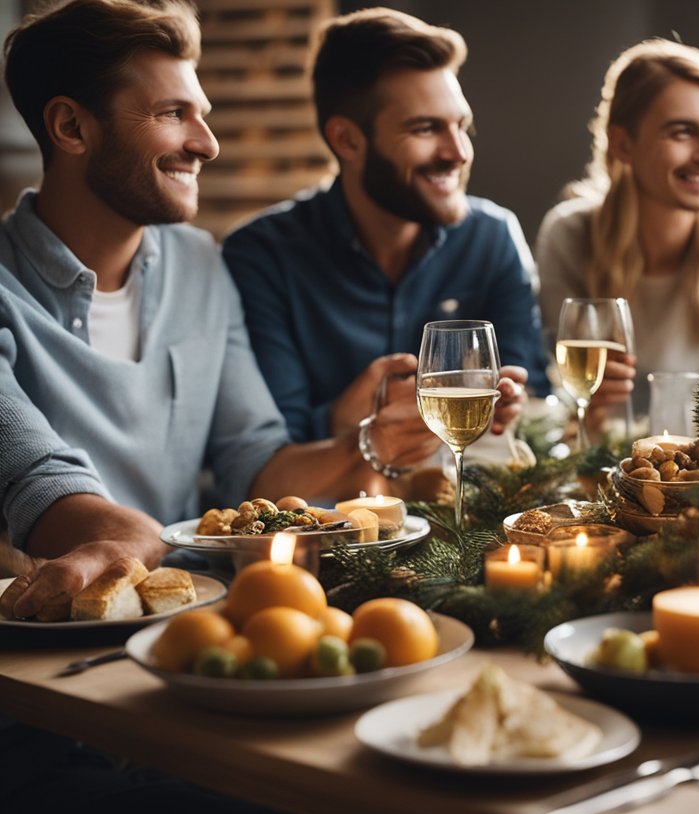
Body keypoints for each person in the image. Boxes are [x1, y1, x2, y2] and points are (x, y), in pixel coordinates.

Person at [0, 0, 486, 621]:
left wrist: (372, 441)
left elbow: (254, 465)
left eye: (201, 113)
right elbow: (34, 477)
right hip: (39, 647)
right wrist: (131, 539)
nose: (207, 143)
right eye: (173, 114)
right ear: (71, 127)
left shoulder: (200, 264)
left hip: (199, 618)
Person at [222, 7, 547, 492]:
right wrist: (342, 420)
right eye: (425, 128)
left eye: (462, 125)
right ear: (347, 140)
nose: (457, 151)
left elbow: (534, 397)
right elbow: (266, 451)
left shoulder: (494, 237)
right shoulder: (261, 256)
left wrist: (511, 406)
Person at [535, 38, 699, 424]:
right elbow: (554, 393)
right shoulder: (569, 235)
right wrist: (586, 400)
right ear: (623, 144)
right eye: (682, 132)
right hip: (603, 464)